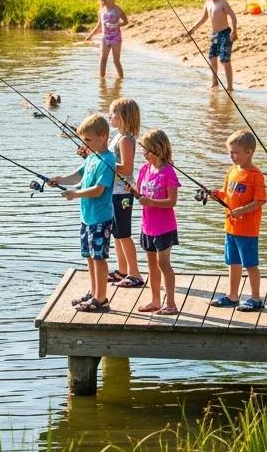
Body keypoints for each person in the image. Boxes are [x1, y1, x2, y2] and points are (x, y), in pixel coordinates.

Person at [48, 114, 116, 312]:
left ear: (103, 137)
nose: (84, 144)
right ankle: (94, 292)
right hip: (87, 217)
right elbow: (78, 175)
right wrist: (60, 180)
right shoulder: (93, 157)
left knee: (99, 258)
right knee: (89, 257)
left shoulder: (108, 160)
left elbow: (98, 190)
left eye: (88, 139)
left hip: (100, 218)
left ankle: (101, 299)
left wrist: (75, 194)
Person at [206, 130, 267, 312]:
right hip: (230, 228)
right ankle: (233, 296)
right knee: (233, 262)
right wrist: (214, 194)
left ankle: (256, 298)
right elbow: (226, 194)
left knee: (250, 264)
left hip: (247, 230)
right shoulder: (232, 171)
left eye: (236, 152)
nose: (232, 156)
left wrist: (243, 210)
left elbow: (261, 200)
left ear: (249, 152)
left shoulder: (255, 175)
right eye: (230, 152)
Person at [132, 128, 181, 315]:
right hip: (147, 226)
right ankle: (155, 300)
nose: (145, 156)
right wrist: (133, 192)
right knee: (151, 264)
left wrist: (151, 201)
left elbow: (172, 201)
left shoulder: (168, 171)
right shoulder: (145, 169)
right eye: (143, 152)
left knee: (163, 263)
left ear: (158, 149)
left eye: (148, 152)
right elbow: (140, 194)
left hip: (164, 227)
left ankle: (171, 303)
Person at [107, 97, 143, 289]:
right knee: (116, 233)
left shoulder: (126, 139)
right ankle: (122, 270)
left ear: (123, 117)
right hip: (113, 191)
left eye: (113, 113)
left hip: (123, 193)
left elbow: (127, 168)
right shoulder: (117, 136)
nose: (110, 116)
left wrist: (105, 163)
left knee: (124, 233)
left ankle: (135, 274)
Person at [187, 0, 239, 91]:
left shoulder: (222, 3)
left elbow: (233, 17)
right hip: (215, 34)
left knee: (225, 60)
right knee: (212, 57)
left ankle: (230, 86)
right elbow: (204, 18)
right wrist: (193, 29)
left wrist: (234, 31)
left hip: (225, 33)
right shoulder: (208, 3)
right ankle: (214, 82)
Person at [85, 0, 127, 78]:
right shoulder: (102, 11)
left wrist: (117, 25)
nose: (105, 2)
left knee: (116, 61)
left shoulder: (117, 10)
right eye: (102, 0)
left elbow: (126, 21)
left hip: (116, 38)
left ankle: (121, 79)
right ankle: (102, 79)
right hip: (105, 38)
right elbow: (99, 26)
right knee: (103, 59)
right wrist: (91, 35)